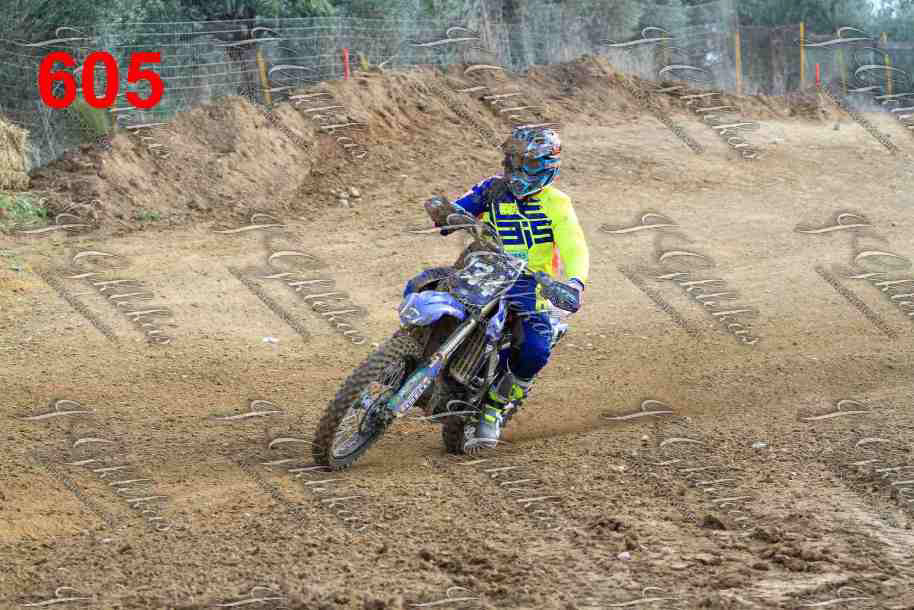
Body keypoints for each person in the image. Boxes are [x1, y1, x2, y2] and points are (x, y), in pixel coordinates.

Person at [426, 127, 590, 449]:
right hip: (483, 266)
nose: (515, 168)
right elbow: (459, 210)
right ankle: (405, 353)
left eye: (526, 163)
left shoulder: (558, 204)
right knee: (422, 285)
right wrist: (444, 212)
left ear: (546, 166)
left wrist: (574, 283)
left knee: (536, 348)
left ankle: (494, 409)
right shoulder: (493, 188)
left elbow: (575, 247)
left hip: (529, 283)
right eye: (512, 160)